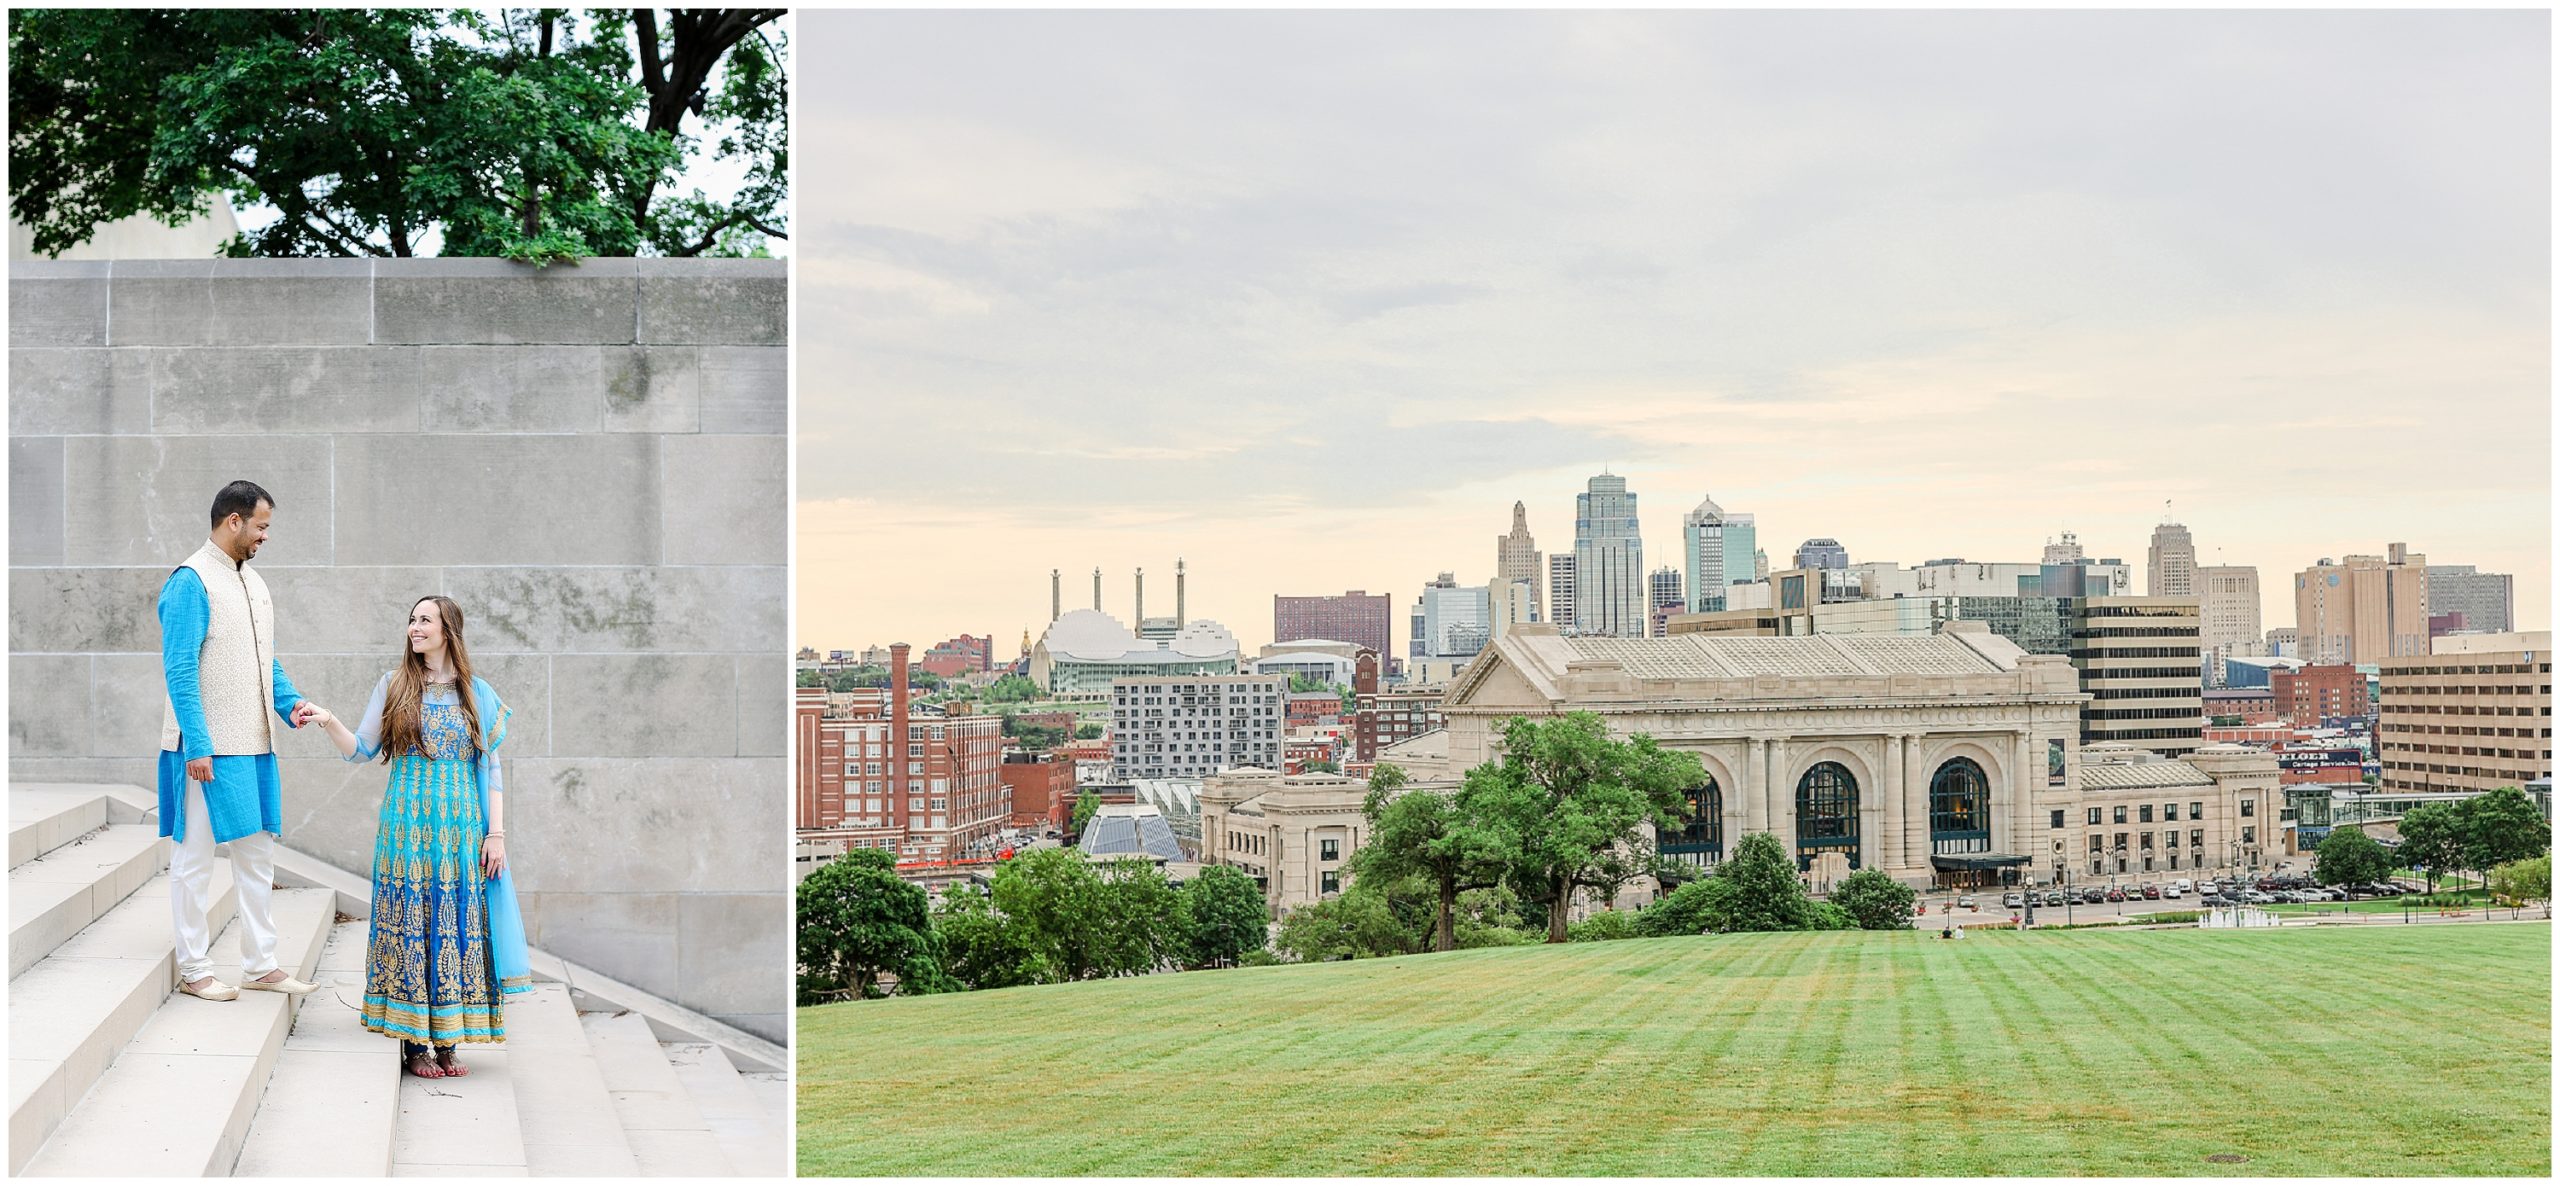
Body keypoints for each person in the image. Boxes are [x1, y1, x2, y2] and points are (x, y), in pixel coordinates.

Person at [306, 595, 529, 1079]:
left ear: (448, 629)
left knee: (457, 925)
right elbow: (361, 751)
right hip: (406, 827)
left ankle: (448, 1040)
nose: (414, 627)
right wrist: (328, 721)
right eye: (411, 619)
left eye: (424, 620)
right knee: (413, 921)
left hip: (461, 830)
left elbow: (491, 767)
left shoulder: (477, 692)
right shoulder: (393, 685)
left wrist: (497, 834)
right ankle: (413, 1044)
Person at [158, 480, 321, 1002]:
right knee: (194, 859)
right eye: (261, 526)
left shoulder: (252, 583)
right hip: (204, 750)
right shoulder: (190, 581)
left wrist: (289, 702)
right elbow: (180, 669)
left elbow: (262, 658)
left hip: (254, 743)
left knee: (256, 857)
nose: (265, 536)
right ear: (234, 520)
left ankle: (261, 964)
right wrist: (197, 745)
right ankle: (195, 967)